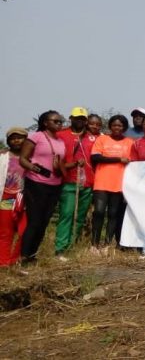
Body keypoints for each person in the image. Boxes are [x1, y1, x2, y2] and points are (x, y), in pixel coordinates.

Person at [19, 110, 67, 264]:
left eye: (60, 121)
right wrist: (37, 169)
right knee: (34, 221)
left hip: (55, 185)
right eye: (55, 121)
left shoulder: (60, 142)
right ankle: (24, 257)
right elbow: (23, 159)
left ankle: (33, 255)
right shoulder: (36, 136)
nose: (59, 123)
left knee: (45, 221)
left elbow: (60, 163)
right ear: (45, 122)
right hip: (36, 183)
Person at [55, 107, 97, 261]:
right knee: (66, 215)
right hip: (69, 182)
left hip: (87, 183)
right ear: (71, 118)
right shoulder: (61, 135)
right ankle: (60, 248)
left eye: (83, 119)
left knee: (80, 217)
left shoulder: (92, 138)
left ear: (86, 121)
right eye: (77, 118)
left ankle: (72, 245)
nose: (80, 121)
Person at [90, 115, 134, 255]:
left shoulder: (130, 142)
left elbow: (133, 161)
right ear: (110, 126)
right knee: (99, 212)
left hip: (119, 183)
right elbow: (95, 157)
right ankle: (94, 243)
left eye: (120, 126)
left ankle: (107, 244)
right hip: (102, 182)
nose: (117, 128)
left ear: (124, 128)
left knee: (113, 214)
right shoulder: (102, 139)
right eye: (114, 125)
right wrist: (118, 159)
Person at [0, 128, 28, 267]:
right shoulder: (3, 156)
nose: (16, 140)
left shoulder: (31, 157)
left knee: (25, 230)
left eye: (20, 137)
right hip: (6, 196)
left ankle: (16, 259)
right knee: (6, 231)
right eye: (13, 138)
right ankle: (4, 262)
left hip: (24, 197)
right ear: (9, 141)